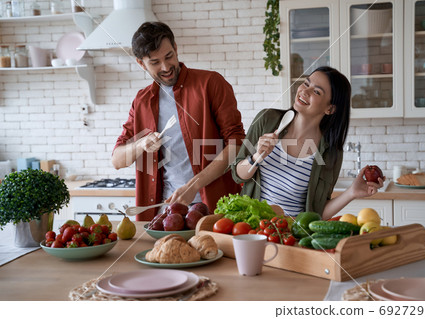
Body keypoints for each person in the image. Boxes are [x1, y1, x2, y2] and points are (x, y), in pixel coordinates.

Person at [112, 22, 246, 221]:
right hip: (165, 212)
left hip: (214, 210)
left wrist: (193, 186)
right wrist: (141, 144)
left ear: (176, 48)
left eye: (169, 56)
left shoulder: (211, 83)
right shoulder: (142, 101)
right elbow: (117, 160)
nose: (166, 67)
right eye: (155, 62)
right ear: (142, 64)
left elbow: (236, 144)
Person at [231, 66, 384, 220]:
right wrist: (256, 156)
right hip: (250, 229)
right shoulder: (267, 120)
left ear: (330, 109)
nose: (305, 91)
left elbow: (317, 213)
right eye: (306, 83)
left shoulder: (331, 153)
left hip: (290, 237)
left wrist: (352, 192)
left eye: (316, 91)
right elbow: (237, 175)